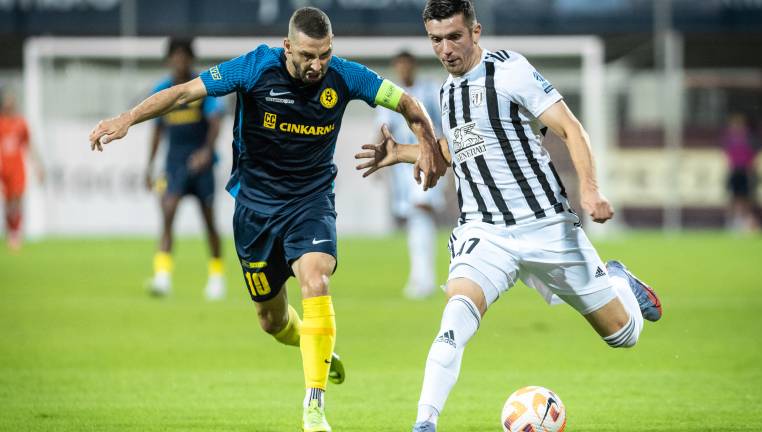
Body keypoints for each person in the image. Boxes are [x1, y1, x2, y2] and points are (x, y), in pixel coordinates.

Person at [88, 7, 446, 432]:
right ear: (287, 47)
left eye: (325, 55)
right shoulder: (255, 68)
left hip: (311, 202)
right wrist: (127, 118)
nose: (317, 65)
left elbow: (405, 101)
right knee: (271, 321)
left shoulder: (346, 76)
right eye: (308, 55)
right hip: (255, 211)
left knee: (317, 280)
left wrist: (426, 141)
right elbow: (184, 93)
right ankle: (314, 344)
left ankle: (314, 407)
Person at [354, 1, 663, 431]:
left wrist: (591, 189)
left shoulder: (510, 71)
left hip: (547, 225)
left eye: (454, 37)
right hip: (484, 231)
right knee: (455, 318)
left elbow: (570, 128)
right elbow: (458, 150)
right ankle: (425, 422)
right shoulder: (446, 92)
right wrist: (403, 152)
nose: (445, 49)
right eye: (436, 40)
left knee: (623, 334)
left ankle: (618, 280)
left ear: (475, 32)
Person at [145, 38, 227, 299]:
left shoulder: (202, 86)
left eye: (184, 55)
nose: (179, 60)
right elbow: (157, 131)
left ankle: (216, 277)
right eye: (175, 56)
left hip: (201, 165)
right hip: (174, 164)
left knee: (209, 222)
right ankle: (162, 277)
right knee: (167, 214)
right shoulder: (163, 89)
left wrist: (206, 151)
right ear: (169, 59)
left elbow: (216, 121)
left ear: (190, 58)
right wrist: (149, 166)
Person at [375, 51, 445, 299]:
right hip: (403, 168)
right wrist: (378, 161)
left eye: (407, 65)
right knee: (415, 218)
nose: (403, 69)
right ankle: (420, 277)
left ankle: (424, 280)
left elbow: (444, 122)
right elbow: (383, 131)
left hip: (429, 159)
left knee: (421, 210)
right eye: (399, 65)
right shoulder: (390, 96)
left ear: (413, 66)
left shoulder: (430, 90)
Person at [0, 91, 44, 251]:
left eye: (11, 102)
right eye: (7, 102)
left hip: (17, 168)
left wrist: (38, 166)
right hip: (3, 169)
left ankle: (16, 233)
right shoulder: (1, 123)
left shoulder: (21, 123)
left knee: (17, 201)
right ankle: (10, 231)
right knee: (7, 203)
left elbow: (29, 145)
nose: (9, 105)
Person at [722, 112, 761, 232]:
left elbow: (754, 155)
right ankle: (733, 222)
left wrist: (751, 168)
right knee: (733, 197)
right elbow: (726, 154)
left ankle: (746, 222)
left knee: (746, 197)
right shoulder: (729, 138)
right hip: (734, 170)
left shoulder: (749, 138)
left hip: (745, 171)